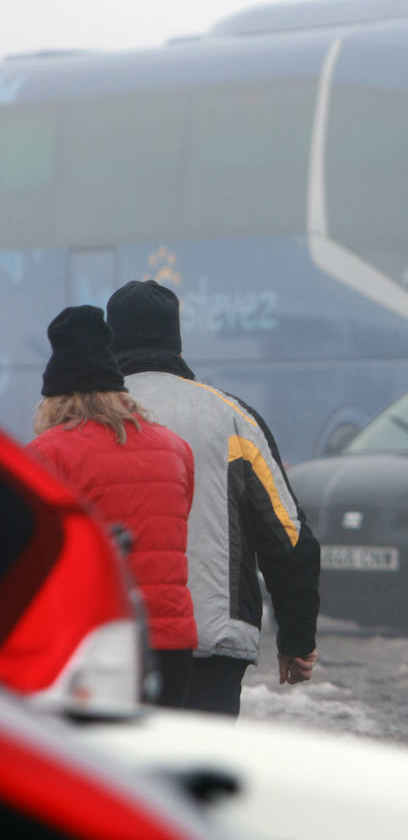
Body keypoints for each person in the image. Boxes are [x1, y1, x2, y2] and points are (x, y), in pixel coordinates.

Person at [105, 279, 320, 717]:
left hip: (111, 643)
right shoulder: (233, 418)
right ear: (176, 340)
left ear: (110, 341)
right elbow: (288, 539)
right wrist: (297, 640)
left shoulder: (80, 421)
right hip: (214, 644)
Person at [26, 305, 198, 707]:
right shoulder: (175, 448)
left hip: (96, 641)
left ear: (54, 399)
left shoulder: (48, 454)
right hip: (172, 642)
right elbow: (176, 525)